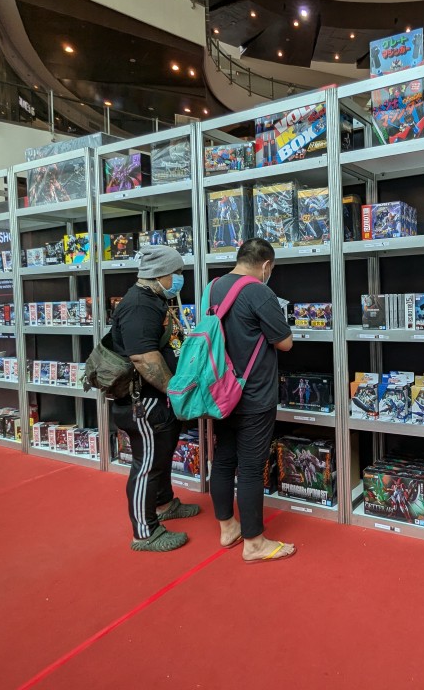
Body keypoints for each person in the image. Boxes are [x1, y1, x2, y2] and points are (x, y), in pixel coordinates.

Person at [209, 238, 296, 562]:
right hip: (253, 393)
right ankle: (254, 542)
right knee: (249, 469)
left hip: (220, 391)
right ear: (266, 265)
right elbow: (284, 342)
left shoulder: (212, 287)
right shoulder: (259, 291)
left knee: (223, 459)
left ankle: (227, 527)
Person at [110, 245, 200, 551]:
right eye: (177, 272)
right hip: (143, 402)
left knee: (160, 456)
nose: (180, 278)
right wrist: (174, 390)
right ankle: (145, 532)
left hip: (157, 401)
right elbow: (143, 357)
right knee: (147, 465)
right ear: (161, 273)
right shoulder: (139, 305)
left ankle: (164, 504)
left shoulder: (154, 300)